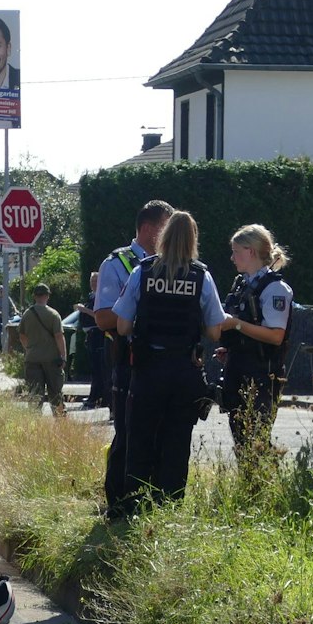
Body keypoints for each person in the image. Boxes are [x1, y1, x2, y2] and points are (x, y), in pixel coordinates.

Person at [112, 211, 227, 511]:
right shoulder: (202, 276)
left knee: (140, 437)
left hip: (148, 369)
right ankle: (170, 508)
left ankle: (133, 506)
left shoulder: (143, 272)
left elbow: (122, 326)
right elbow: (215, 331)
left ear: (162, 236)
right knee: (177, 441)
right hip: (184, 370)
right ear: (193, 240)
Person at [92, 200, 173, 508]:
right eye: (166, 226)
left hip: (166, 362)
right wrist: (142, 313)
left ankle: (156, 501)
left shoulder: (175, 265)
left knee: (164, 437)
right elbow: (102, 318)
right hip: (130, 360)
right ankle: (120, 501)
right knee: (128, 434)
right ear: (149, 228)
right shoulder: (117, 263)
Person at [217, 225, 296, 457]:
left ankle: (263, 489)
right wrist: (231, 348)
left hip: (262, 374)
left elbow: (275, 335)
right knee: (242, 441)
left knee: (257, 442)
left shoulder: (275, 288)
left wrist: (236, 324)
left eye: (236, 251)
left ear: (251, 251)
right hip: (239, 370)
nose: (232, 258)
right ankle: (249, 489)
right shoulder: (242, 284)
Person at [16, 283, 67, 415]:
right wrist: (63, 356)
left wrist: (29, 348)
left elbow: (21, 335)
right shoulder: (53, 314)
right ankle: (61, 423)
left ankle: (34, 424)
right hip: (51, 359)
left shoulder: (27, 314)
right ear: (47, 296)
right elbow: (59, 337)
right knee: (55, 394)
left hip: (32, 359)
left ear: (34, 296)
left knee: (34, 395)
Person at [76, 272, 107, 408]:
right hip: (91, 335)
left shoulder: (101, 297)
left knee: (99, 368)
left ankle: (97, 398)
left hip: (98, 334)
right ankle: (94, 396)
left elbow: (98, 315)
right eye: (91, 281)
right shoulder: (91, 296)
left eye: (95, 281)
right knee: (94, 368)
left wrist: (83, 310)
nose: (93, 284)